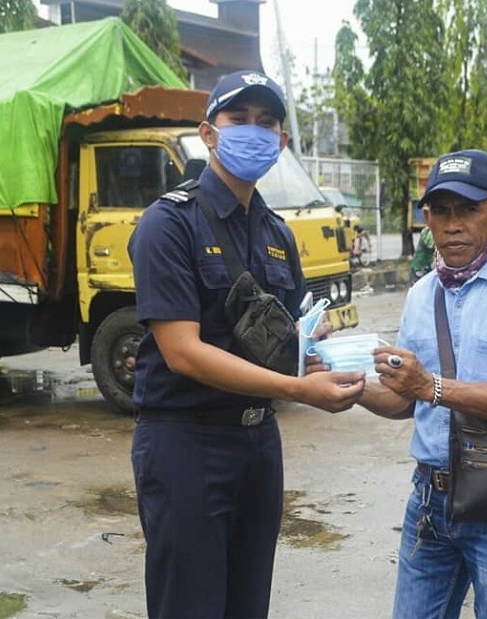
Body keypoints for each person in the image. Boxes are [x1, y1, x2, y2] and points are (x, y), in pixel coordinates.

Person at [127, 70, 365, 619]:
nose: (254, 133)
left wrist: (322, 355)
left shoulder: (278, 234)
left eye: (267, 123)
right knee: (190, 604)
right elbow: (182, 351)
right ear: (209, 133)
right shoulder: (169, 224)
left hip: (258, 445)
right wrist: (299, 388)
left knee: (247, 604)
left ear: (282, 143)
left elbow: (287, 342)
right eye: (239, 120)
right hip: (186, 441)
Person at [343, 149, 487, 619]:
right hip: (429, 501)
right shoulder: (423, 294)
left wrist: (432, 387)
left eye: (468, 209)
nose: (452, 225)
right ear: (427, 218)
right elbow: (406, 398)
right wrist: (349, 385)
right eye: (441, 212)